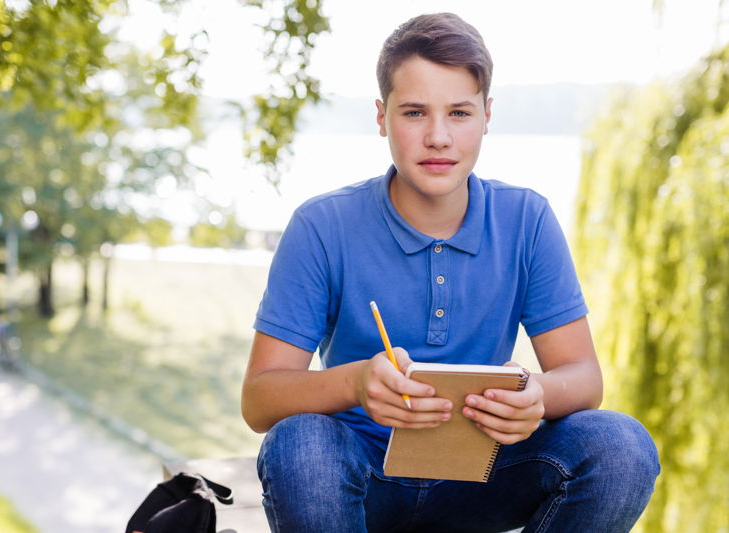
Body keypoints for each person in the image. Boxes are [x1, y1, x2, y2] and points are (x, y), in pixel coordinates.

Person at [241, 12, 660, 533]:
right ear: (381, 116)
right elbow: (260, 401)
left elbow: (583, 379)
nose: (438, 137)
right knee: (297, 443)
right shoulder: (322, 225)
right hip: (358, 480)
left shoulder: (526, 219)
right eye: (414, 112)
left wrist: (537, 395)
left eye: (459, 112)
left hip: (486, 475)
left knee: (621, 446)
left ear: (487, 115)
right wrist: (357, 381)